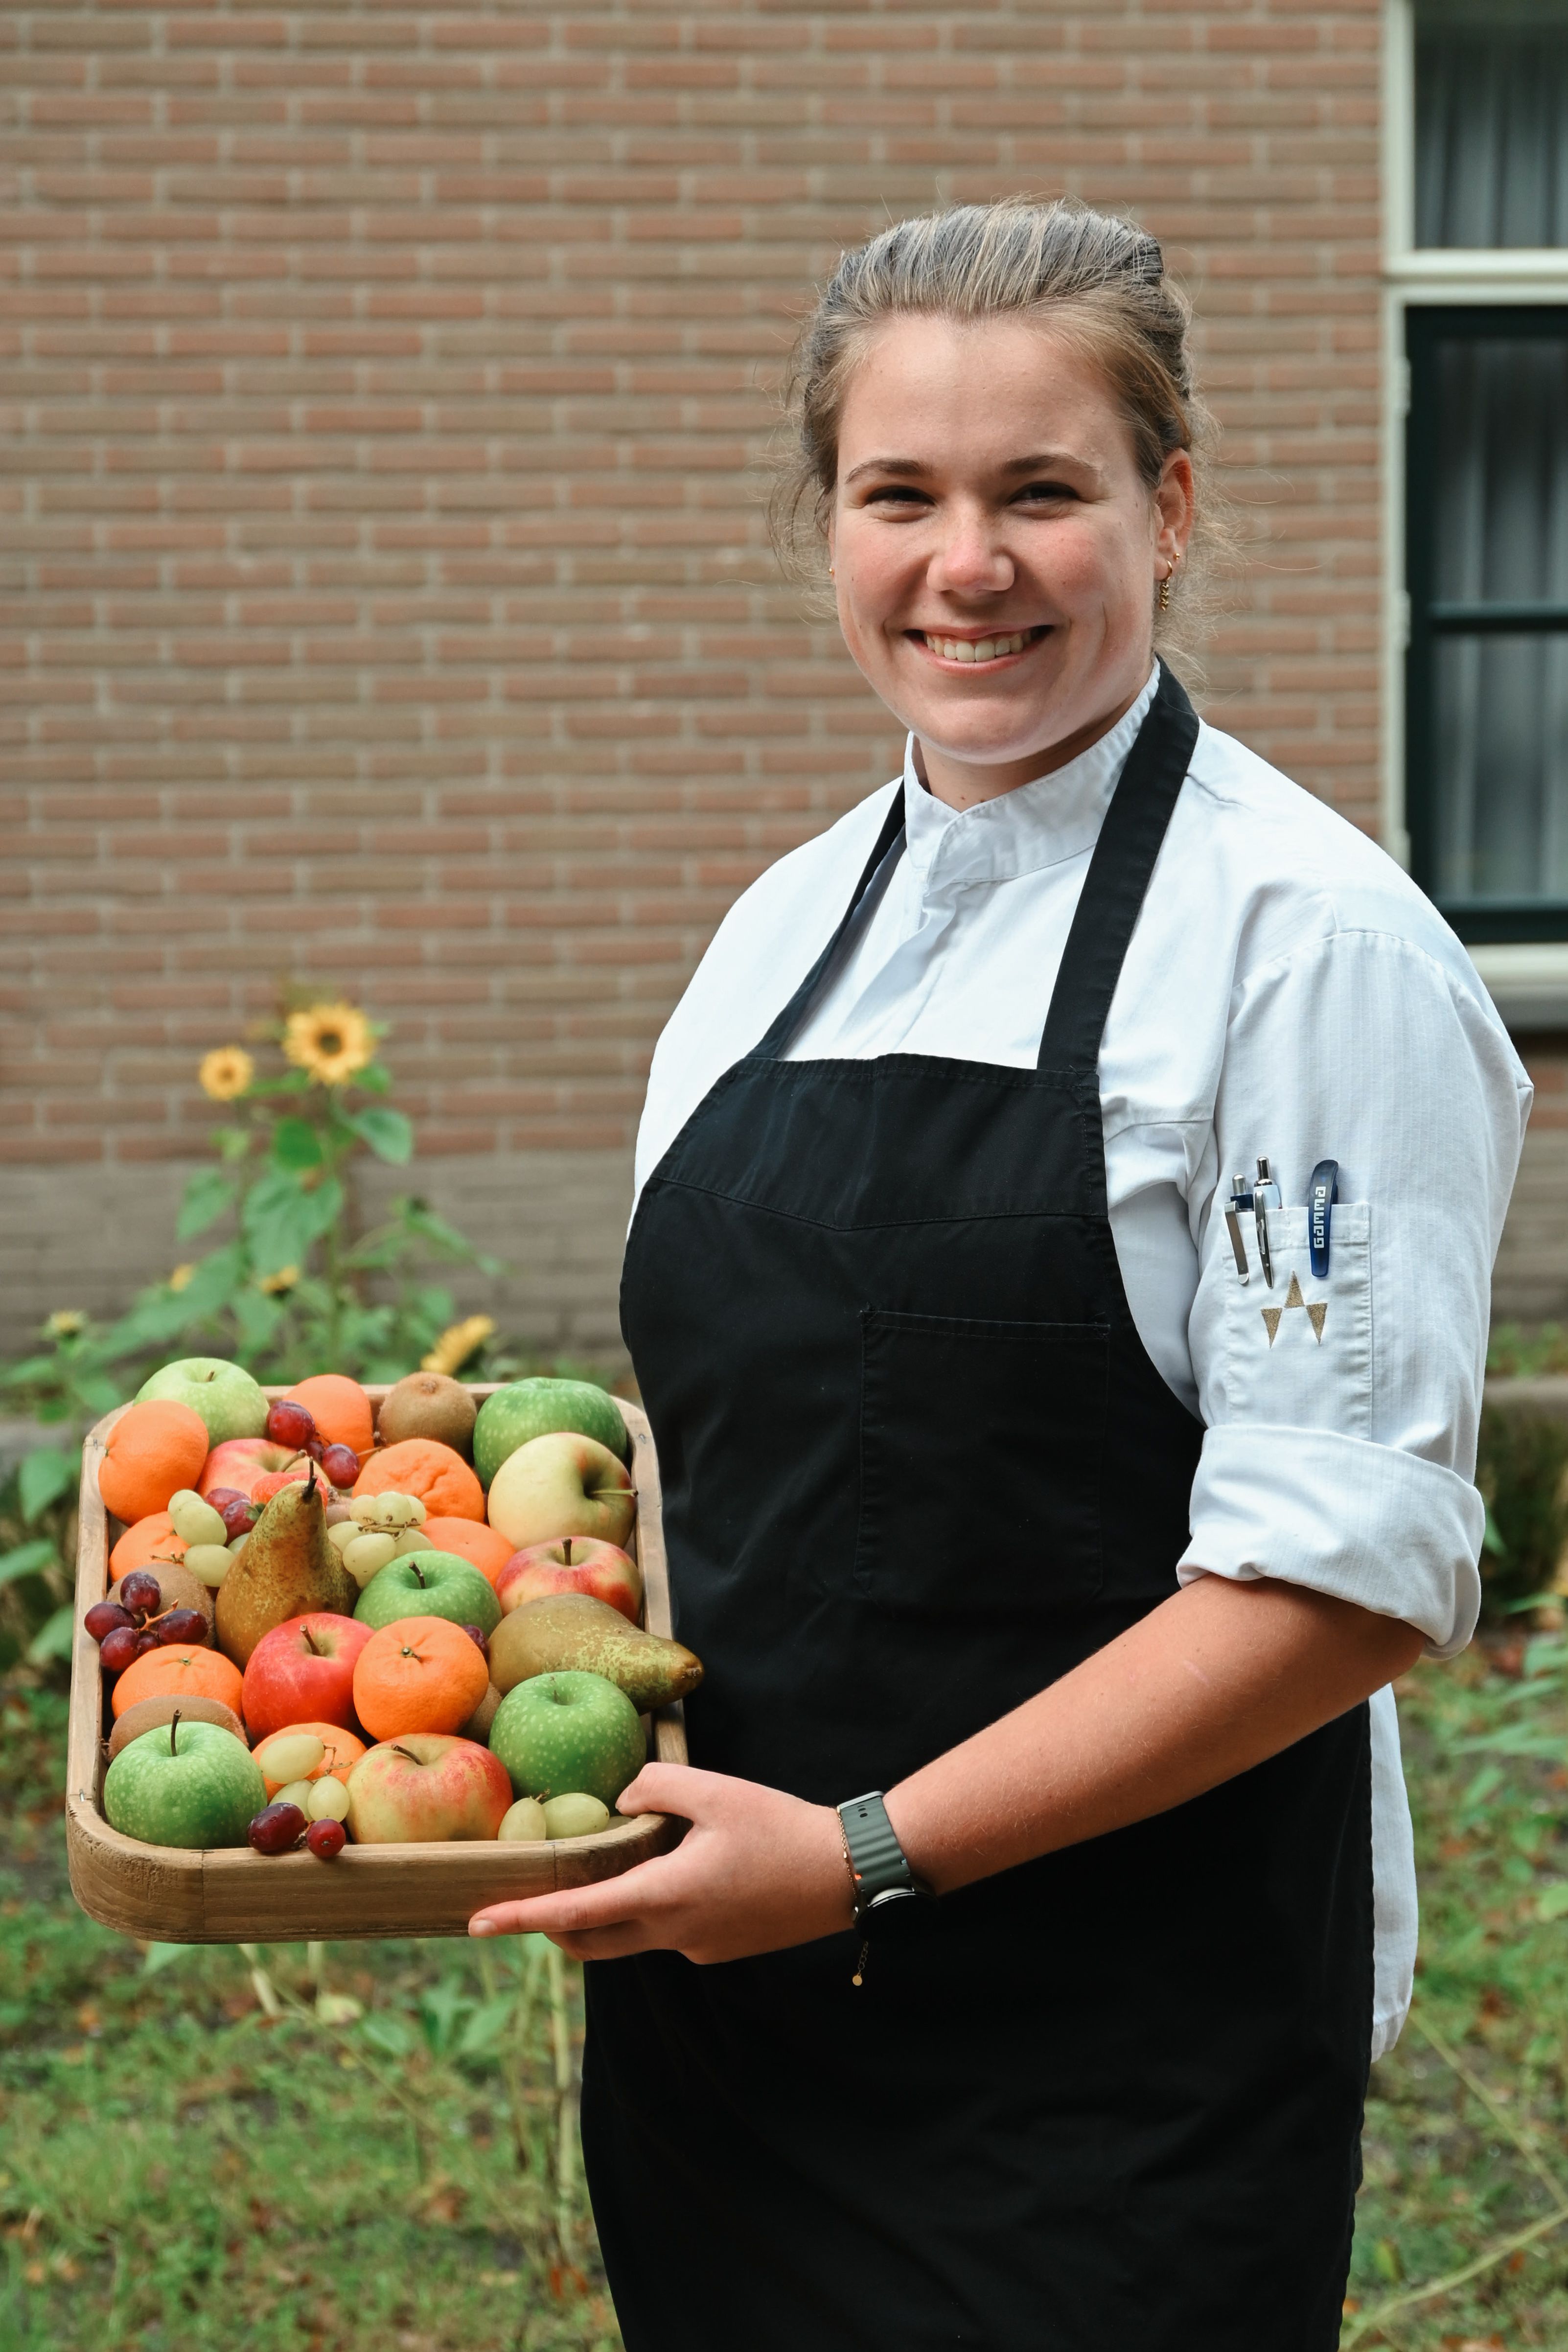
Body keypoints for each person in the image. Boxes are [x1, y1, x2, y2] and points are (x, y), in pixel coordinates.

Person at [469, 200, 1531, 2351]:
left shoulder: (1305, 951)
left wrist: (859, 1850)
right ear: (830, 524)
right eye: (903, 494)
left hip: (1106, 2074)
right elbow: (753, 1450)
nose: (971, 564)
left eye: (1042, 489)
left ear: (1173, 504)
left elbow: (1332, 1591)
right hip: (731, 2033)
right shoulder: (777, 930)